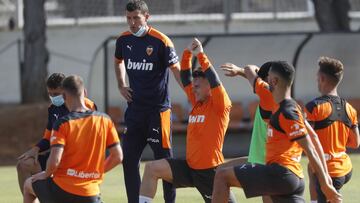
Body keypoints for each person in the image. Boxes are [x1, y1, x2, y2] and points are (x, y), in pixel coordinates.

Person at [212, 61, 342, 203]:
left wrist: (325, 184)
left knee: (222, 176)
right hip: (291, 177)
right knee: (222, 173)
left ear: (273, 81)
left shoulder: (286, 111)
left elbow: (309, 148)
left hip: (280, 173)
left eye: (268, 77)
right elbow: (314, 139)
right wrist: (326, 181)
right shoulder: (292, 107)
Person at [138, 38, 236, 203]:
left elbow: (215, 80)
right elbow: (185, 76)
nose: (193, 89)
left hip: (210, 173)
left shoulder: (220, 104)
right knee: (151, 168)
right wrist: (186, 53)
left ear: (209, 87)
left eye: (197, 86)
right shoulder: (197, 102)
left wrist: (201, 55)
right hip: (189, 168)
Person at [114, 1, 182, 202]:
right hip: (135, 113)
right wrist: (121, 84)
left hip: (158, 112)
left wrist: (191, 93)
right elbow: (118, 61)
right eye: (128, 18)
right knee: (129, 161)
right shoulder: (124, 40)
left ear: (146, 17)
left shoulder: (161, 41)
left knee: (165, 163)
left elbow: (176, 70)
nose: (132, 22)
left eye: (136, 17)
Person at [23, 75, 123, 203]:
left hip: (62, 190)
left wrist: (45, 174)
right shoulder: (105, 120)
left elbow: (55, 160)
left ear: (64, 96)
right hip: (90, 194)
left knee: (28, 185)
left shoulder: (62, 123)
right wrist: (96, 173)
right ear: (84, 93)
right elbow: (118, 157)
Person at [16, 73, 97, 194]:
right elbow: (48, 138)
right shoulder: (53, 108)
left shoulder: (86, 106)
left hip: (75, 160)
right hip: (56, 156)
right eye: (50, 94)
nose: (53, 97)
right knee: (23, 164)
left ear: (65, 91)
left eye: (56, 94)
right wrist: (35, 149)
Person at [304, 57, 359, 203]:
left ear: (322, 78)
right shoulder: (350, 109)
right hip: (345, 168)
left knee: (314, 167)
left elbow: (305, 141)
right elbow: (355, 143)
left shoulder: (313, 107)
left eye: (317, 77)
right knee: (311, 167)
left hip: (329, 172)